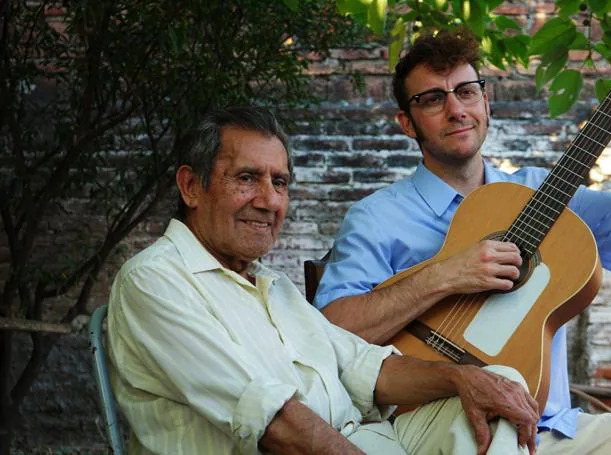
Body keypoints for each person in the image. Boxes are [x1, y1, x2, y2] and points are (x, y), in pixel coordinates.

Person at [106, 106, 540, 455]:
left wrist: (461, 378)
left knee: (498, 386)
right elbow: (277, 425)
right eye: (246, 179)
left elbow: (366, 368)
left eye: (279, 182)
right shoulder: (155, 280)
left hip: (363, 440)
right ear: (190, 186)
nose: (268, 201)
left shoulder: (272, 285)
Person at [313, 27, 611, 454]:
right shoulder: (376, 217)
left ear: (486, 102)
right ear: (406, 122)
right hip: (440, 421)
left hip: (553, 429)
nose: (456, 109)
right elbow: (331, 333)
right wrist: (448, 274)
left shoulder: (544, 193)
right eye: (433, 99)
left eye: (467, 92)